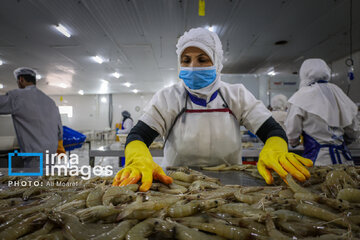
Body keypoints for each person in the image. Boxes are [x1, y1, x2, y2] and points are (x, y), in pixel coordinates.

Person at [113, 28, 313, 191]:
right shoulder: (168, 98)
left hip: (231, 182)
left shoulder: (236, 95)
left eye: (202, 59)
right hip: (176, 184)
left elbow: (272, 130)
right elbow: (138, 135)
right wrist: (138, 156)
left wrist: (275, 147)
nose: (193, 67)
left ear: (216, 62)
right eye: (186, 60)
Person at [285, 58, 360, 165]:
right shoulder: (338, 92)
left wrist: (295, 143)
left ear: (303, 73)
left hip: (317, 162)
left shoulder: (299, 97)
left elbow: (292, 134)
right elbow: (353, 131)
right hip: (345, 160)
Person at [0, 67, 65, 168]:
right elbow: (60, 131)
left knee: (34, 182)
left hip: (35, 155)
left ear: (21, 79)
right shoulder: (50, 101)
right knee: (46, 180)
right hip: (51, 153)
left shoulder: (17, 96)